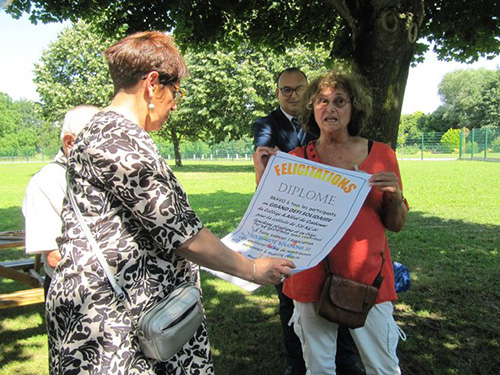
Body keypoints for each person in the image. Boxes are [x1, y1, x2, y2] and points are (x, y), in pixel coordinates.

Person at [45, 31, 295, 375]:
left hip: (121, 311)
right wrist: (252, 269)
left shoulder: (103, 131)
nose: (175, 104)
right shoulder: (120, 141)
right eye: (174, 92)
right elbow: (183, 234)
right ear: (151, 84)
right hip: (116, 325)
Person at [256, 67, 409, 375]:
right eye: (322, 101)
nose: (331, 108)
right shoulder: (297, 159)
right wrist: (265, 173)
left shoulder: (381, 154)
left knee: (383, 367)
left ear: (354, 108)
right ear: (312, 109)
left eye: (340, 101)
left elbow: (396, 224)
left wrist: (393, 195)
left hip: (368, 278)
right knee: (319, 368)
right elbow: (275, 217)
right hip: (310, 279)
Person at [252, 68, 365, 375]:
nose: (292, 95)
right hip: (289, 224)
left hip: (326, 222)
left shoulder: (322, 120)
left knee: (336, 287)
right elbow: (266, 159)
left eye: (298, 88)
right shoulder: (266, 125)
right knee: (290, 296)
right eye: (285, 90)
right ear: (277, 94)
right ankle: (295, 361)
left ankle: (345, 358)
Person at [22, 105, 100, 297]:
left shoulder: (101, 175)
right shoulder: (45, 182)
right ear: (70, 142)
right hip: (76, 296)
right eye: (99, 141)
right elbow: (55, 257)